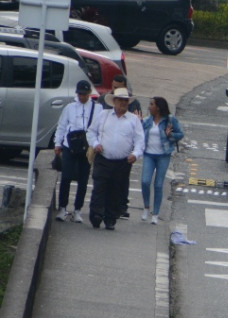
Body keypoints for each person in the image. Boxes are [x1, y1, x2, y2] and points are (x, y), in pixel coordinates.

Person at [87, 87, 144, 230]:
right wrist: (95, 144)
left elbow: (140, 140)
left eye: (125, 101)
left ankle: (111, 218)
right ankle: (96, 215)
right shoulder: (103, 115)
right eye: (120, 100)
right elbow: (91, 132)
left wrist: (135, 154)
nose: (123, 103)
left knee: (116, 190)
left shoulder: (133, 120)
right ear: (114, 101)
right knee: (99, 188)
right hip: (103, 159)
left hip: (122, 162)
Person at [52, 80, 97, 224]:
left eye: (84, 94)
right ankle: (62, 208)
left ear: (89, 93)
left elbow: (98, 127)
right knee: (66, 177)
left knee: (83, 180)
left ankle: (77, 209)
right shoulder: (70, 108)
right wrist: (58, 143)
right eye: (79, 94)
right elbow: (62, 125)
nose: (82, 97)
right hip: (70, 145)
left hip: (86, 147)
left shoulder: (97, 108)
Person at [140, 96, 183, 225]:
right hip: (149, 154)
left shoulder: (169, 120)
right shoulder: (147, 121)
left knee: (158, 184)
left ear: (158, 107)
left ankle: (155, 214)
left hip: (163, 155)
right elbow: (138, 133)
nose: (149, 107)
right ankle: (146, 207)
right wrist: (138, 122)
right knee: (145, 181)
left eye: (151, 104)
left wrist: (170, 135)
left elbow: (180, 134)